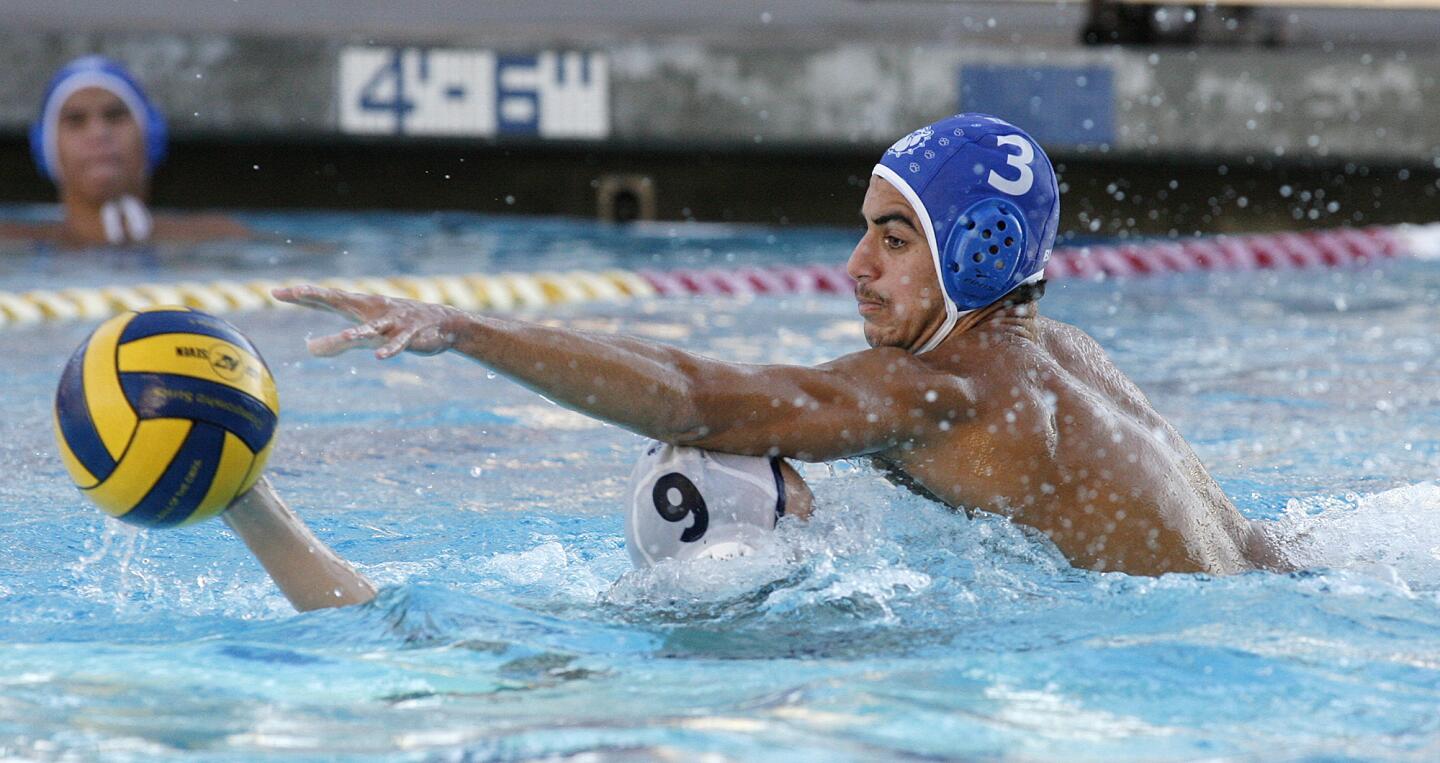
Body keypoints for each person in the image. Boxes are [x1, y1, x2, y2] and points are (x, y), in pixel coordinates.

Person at [271, 112, 1285, 577]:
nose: (855, 265)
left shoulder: (938, 390)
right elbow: (1250, 555)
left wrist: (462, 328)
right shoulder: (1067, 355)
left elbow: (692, 396)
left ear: (979, 253)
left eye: (894, 238)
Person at [224, 443, 815, 611]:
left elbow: (379, 623)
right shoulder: (802, 595)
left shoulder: (599, 610)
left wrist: (249, 503)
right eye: (791, 472)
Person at [1, 56, 246, 247]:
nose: (98, 133)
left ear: (150, 135)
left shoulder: (220, 237)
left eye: (115, 116)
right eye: (76, 120)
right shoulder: (10, 244)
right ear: (47, 147)